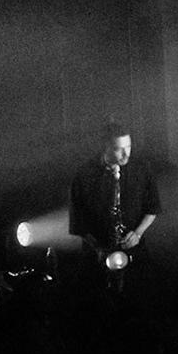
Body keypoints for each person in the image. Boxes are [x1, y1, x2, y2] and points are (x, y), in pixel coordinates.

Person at [68, 119, 160, 288]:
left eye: (128, 147)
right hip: (97, 256)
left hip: (134, 251)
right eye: (119, 149)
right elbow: (78, 223)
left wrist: (137, 234)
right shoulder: (84, 176)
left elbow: (152, 208)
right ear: (105, 148)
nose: (126, 154)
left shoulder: (141, 169)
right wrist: (98, 249)